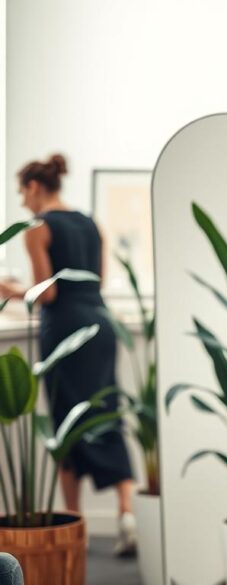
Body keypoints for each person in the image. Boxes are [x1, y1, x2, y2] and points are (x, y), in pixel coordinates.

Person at [0, 154, 137, 556]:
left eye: (22, 192)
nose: (22, 201)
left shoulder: (37, 228)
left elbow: (50, 292)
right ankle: (126, 514)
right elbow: (95, 280)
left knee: (65, 422)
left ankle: (76, 523)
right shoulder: (92, 224)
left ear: (34, 188)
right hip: (99, 323)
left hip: (64, 332)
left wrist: (7, 288)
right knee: (104, 410)